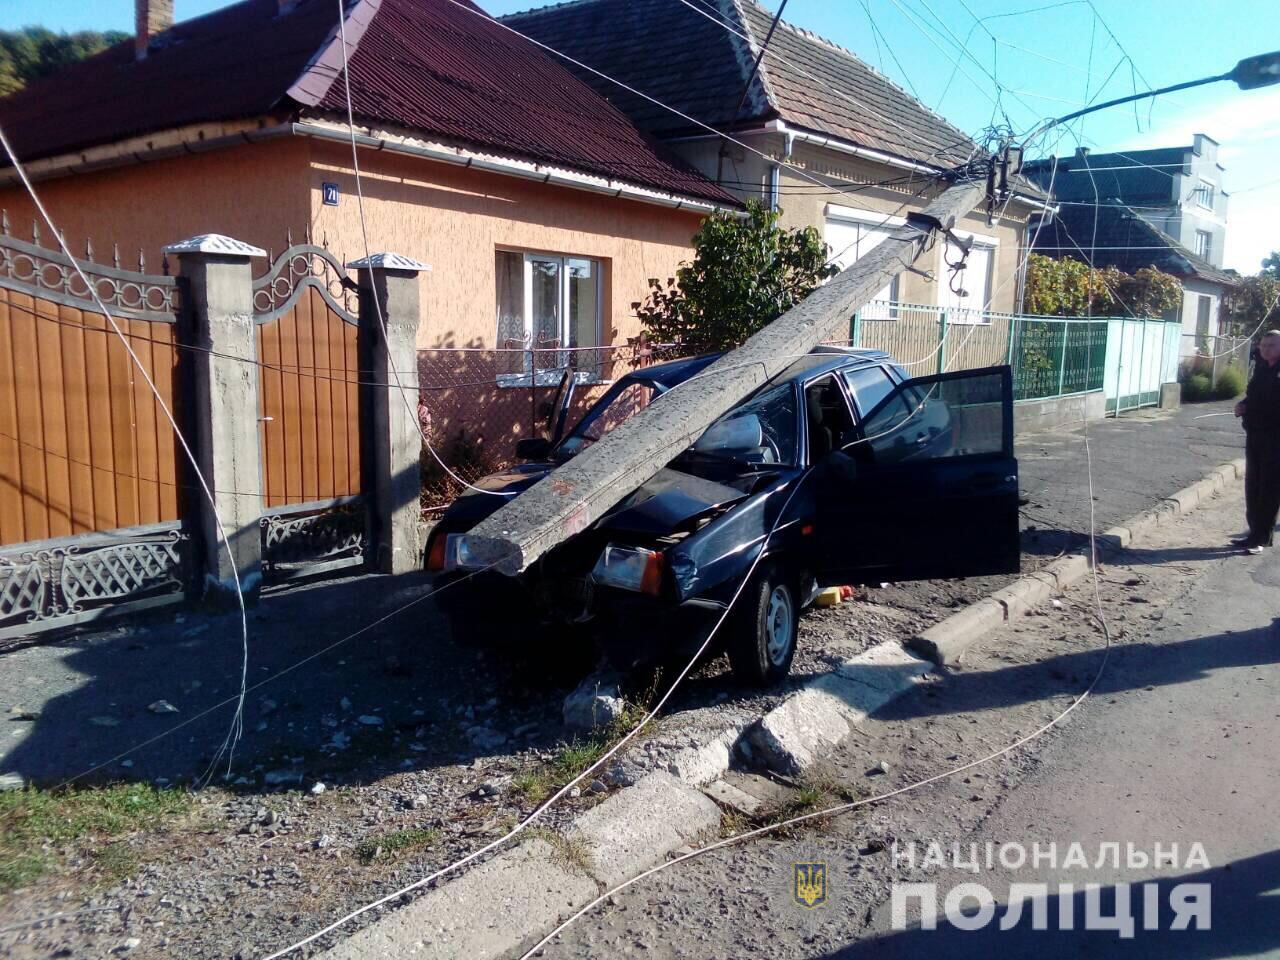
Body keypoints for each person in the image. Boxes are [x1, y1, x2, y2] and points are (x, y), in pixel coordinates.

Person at [1234, 330, 1280, 554]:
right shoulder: (1261, 368)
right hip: (1255, 434)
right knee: (1252, 485)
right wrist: (1242, 406)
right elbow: (1253, 396)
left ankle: (1261, 538)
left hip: (1275, 438)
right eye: (1263, 345)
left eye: (1271, 345)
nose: (1265, 349)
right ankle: (1252, 534)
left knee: (1268, 489)